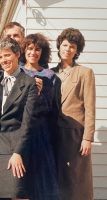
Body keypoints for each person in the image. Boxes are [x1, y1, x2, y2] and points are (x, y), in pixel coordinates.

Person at [0, 37, 39, 200]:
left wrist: (18, 152)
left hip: (15, 147)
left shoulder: (29, 83)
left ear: (17, 54)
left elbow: (28, 123)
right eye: (0, 57)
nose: (4, 60)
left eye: (7, 55)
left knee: (17, 194)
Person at [50, 28, 95, 200]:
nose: (67, 49)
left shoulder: (85, 73)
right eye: (65, 45)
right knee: (58, 178)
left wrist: (87, 138)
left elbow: (90, 107)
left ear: (77, 50)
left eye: (72, 46)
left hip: (75, 135)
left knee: (77, 179)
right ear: (59, 46)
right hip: (54, 133)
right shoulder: (50, 72)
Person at [19, 33, 60, 200]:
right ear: (23, 50)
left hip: (40, 131)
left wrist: (40, 92)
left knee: (41, 178)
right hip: (20, 127)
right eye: (29, 48)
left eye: (37, 49)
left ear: (42, 52)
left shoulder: (49, 76)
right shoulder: (18, 71)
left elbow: (50, 106)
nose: (33, 52)